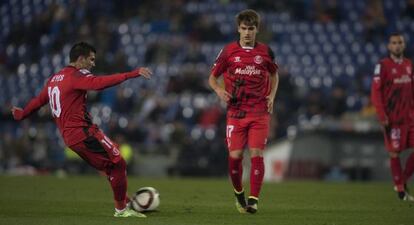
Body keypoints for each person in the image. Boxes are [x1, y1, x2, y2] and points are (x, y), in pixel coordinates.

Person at [11, 42, 152, 217]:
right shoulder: (75, 76)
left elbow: (38, 101)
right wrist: (132, 74)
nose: (93, 64)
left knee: (111, 166)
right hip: (84, 133)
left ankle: (125, 202)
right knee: (118, 163)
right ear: (80, 59)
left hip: (72, 137)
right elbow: (99, 83)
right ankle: (121, 210)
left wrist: (21, 114)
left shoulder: (55, 79)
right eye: (91, 59)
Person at [208, 9, 279, 214]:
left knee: (257, 153)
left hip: (259, 112)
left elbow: (275, 75)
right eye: (244, 28)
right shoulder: (229, 51)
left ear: (257, 30)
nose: (247, 32)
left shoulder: (266, 52)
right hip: (236, 113)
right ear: (238, 29)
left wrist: (272, 96)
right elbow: (212, 77)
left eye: (252, 29)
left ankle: (253, 200)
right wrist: (219, 90)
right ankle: (239, 193)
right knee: (236, 156)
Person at [371, 33, 414, 201]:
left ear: (403, 45)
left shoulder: (409, 65)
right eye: (394, 43)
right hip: (393, 119)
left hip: (410, 118)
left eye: (400, 42)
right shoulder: (383, 66)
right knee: (394, 153)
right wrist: (382, 115)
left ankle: (401, 182)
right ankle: (401, 192)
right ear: (389, 46)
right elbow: (376, 92)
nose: (397, 45)